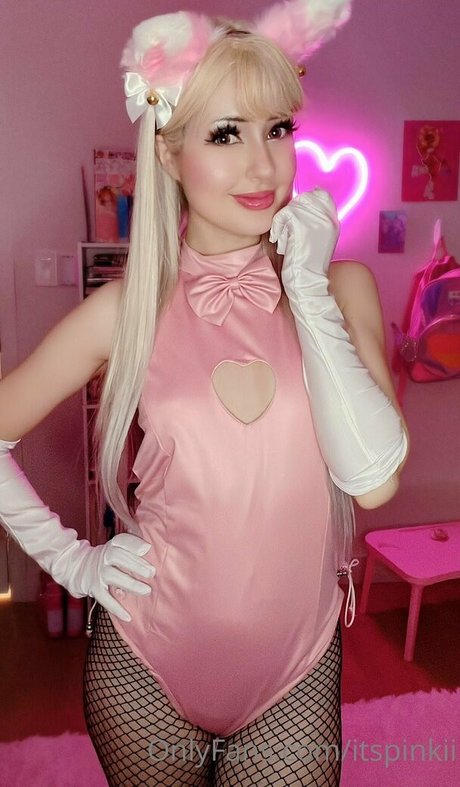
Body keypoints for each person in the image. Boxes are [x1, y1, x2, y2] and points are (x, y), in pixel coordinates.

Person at [0, 2, 408, 785]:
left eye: (277, 129)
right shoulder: (125, 310)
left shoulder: (343, 287)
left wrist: (308, 291)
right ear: (169, 149)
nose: (263, 166)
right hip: (147, 666)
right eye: (226, 134)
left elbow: (375, 480)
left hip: (295, 673)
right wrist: (72, 562)